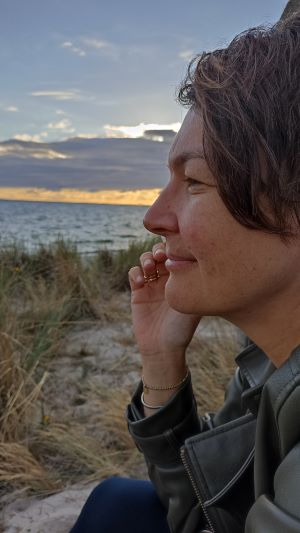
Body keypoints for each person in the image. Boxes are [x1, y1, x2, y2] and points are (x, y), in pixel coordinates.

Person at [70, 7, 300, 533]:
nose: (154, 218)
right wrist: (160, 359)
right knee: (118, 501)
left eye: (194, 182)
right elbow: (202, 509)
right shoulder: (269, 362)